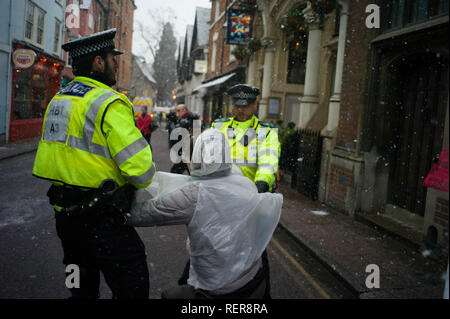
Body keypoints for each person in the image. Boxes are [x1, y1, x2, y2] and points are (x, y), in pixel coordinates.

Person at [32, 29, 156, 299]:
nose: (116, 65)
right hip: (103, 221)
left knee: (78, 284)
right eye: (113, 59)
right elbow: (142, 171)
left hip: (65, 218)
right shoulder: (109, 102)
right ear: (98, 62)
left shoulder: (59, 100)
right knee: (133, 285)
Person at [127, 129, 283, 299]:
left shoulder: (193, 195)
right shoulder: (243, 182)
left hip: (217, 288)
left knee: (170, 295)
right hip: (253, 281)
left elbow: (138, 215)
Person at [210, 83, 281, 298]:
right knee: (212, 246)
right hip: (222, 199)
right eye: (237, 105)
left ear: (255, 105)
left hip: (251, 199)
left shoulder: (266, 132)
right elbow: (209, 157)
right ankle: (195, 287)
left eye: (246, 105)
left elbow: (269, 160)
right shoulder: (218, 127)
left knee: (255, 251)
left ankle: (262, 296)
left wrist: (261, 183)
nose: (241, 110)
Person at [169, 104, 201, 175]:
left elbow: (178, 135)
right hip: (186, 151)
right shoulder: (187, 119)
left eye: (178, 111)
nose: (177, 113)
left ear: (184, 110)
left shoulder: (186, 120)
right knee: (191, 172)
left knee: (176, 172)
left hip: (186, 151)